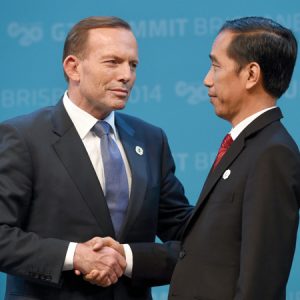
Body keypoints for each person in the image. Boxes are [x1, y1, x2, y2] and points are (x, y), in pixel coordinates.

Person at [0, 16, 193, 299]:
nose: (127, 75)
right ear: (73, 67)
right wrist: (74, 255)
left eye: (133, 65)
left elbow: (182, 230)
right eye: (113, 62)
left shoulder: (150, 140)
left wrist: (129, 258)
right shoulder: (24, 137)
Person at [169, 16, 300, 300]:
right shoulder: (246, 145)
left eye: (216, 66)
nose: (206, 80)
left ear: (251, 75)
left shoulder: (272, 154)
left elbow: (260, 281)